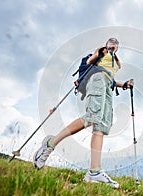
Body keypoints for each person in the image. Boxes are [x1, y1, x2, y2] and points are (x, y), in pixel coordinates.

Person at [33, 38, 133, 188]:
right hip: (97, 80)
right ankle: (50, 143)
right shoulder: (102, 51)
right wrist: (99, 52)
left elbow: (111, 78)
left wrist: (124, 85)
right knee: (92, 118)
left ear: (118, 47)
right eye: (110, 43)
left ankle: (94, 172)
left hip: (107, 86)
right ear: (107, 44)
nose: (113, 45)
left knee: (101, 126)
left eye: (115, 44)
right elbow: (89, 63)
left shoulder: (117, 63)